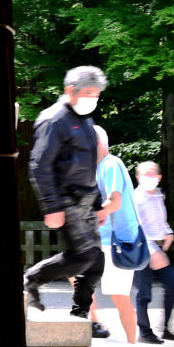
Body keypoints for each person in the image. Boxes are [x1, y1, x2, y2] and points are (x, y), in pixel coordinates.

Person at [23, 66, 108, 323]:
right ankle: (30, 279)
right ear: (70, 90)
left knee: (96, 261)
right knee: (82, 255)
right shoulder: (53, 119)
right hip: (65, 198)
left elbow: (89, 165)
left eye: (97, 93)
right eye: (89, 92)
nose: (93, 98)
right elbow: (39, 165)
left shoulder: (85, 120)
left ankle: (80, 317)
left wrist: (98, 203)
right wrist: (51, 207)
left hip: (86, 198)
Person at [88, 126, 138, 342]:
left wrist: (94, 215)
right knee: (75, 272)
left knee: (120, 297)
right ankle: (93, 322)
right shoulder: (98, 168)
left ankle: (132, 346)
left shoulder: (110, 164)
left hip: (117, 242)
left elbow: (114, 202)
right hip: (105, 240)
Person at [131, 161, 174, 343]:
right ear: (138, 177)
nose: (148, 177)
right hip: (143, 249)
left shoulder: (159, 195)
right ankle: (144, 332)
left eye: (152, 173)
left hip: (158, 247)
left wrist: (168, 233)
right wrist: (153, 251)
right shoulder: (136, 198)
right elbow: (137, 227)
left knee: (172, 285)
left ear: (159, 177)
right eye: (145, 174)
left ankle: (165, 328)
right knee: (143, 293)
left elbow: (160, 221)